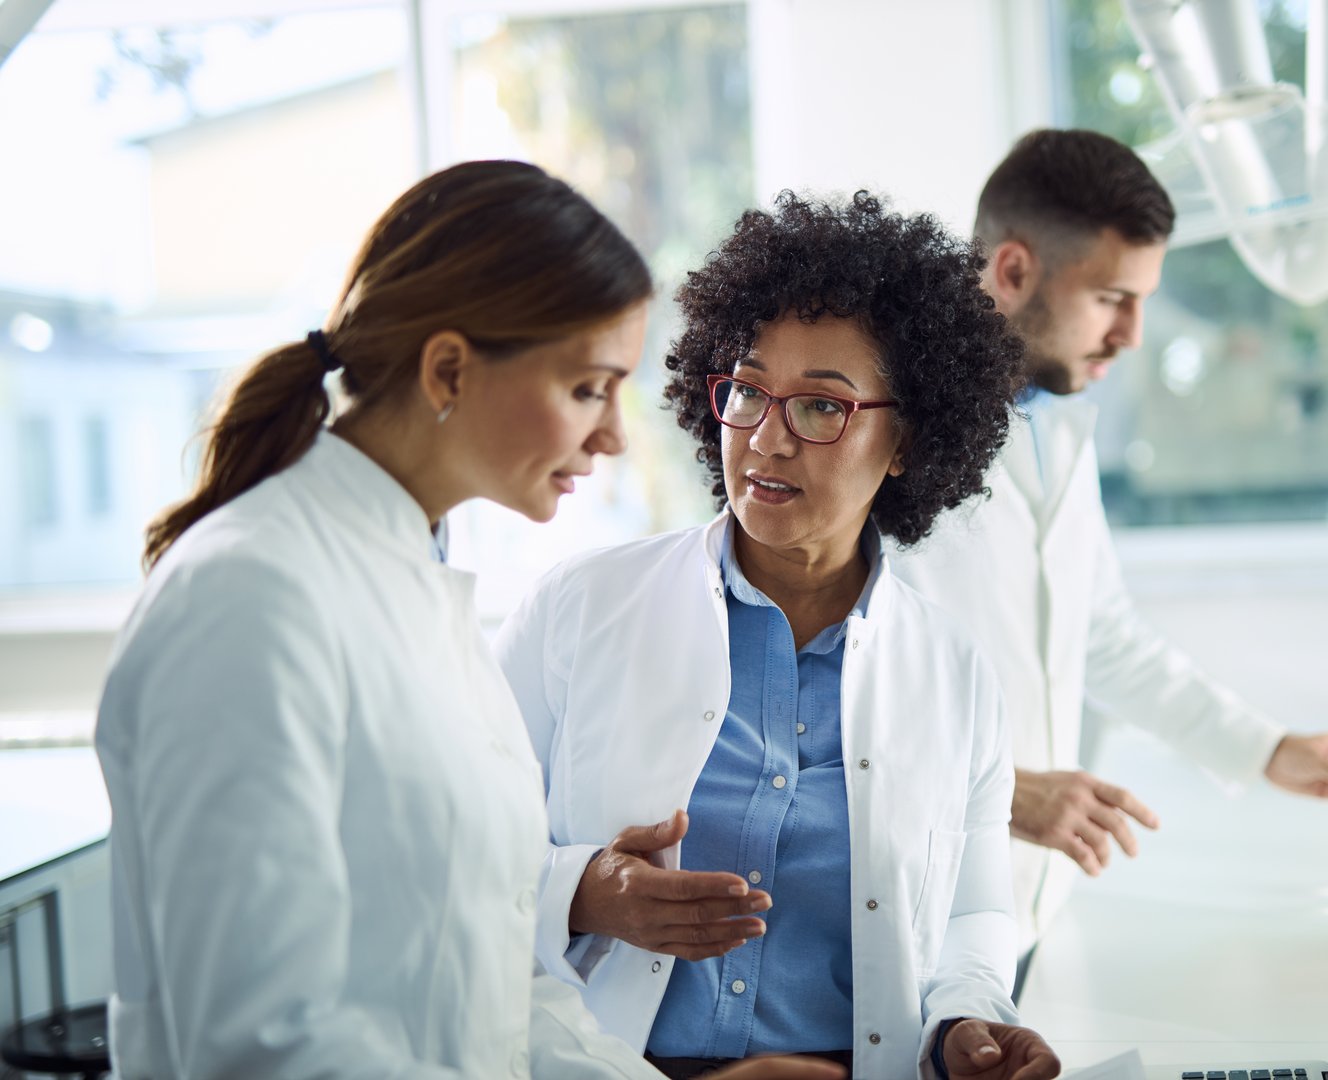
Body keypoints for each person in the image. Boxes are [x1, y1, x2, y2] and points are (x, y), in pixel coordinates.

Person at [94, 160, 843, 1080]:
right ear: (449, 368)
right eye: (586, 389)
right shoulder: (251, 600)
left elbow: (499, 985)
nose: (613, 435)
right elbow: (260, 1045)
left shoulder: (420, 589)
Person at [495, 192, 1061, 1080]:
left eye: (822, 408)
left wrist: (963, 1020)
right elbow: (458, 865)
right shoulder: (577, 610)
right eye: (749, 392)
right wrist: (585, 895)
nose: (766, 439)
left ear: (907, 439)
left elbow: (973, 914)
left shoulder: (953, 671)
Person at [889, 130, 1328, 993]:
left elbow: (1103, 635)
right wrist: (1004, 794)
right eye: (1109, 298)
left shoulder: (1057, 410)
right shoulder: (885, 426)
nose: (1132, 335)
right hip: (910, 918)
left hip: (1025, 914)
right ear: (1012, 271)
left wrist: (1270, 749)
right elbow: (815, 684)